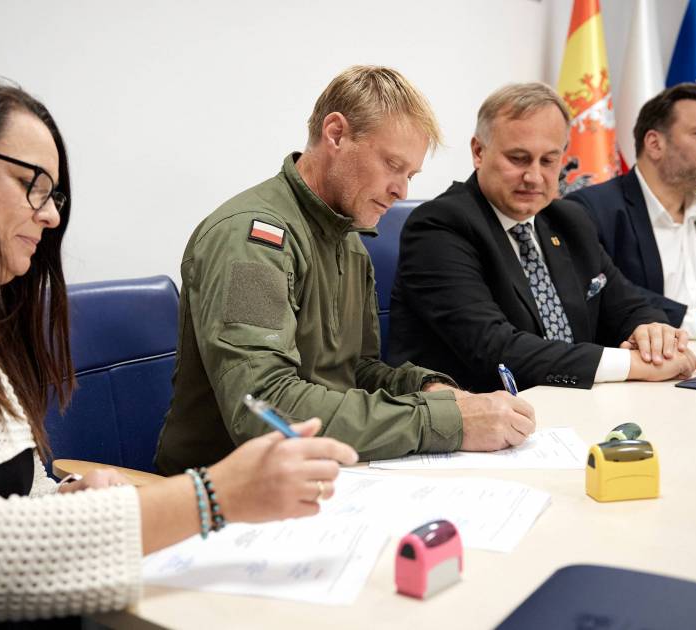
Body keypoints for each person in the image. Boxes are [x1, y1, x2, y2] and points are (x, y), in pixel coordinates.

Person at [0, 74, 357, 626]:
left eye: (54, 194)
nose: (51, 215)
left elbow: (7, 490)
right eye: (31, 184)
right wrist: (214, 495)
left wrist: (67, 496)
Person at [155, 66, 536, 476]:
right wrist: (442, 421)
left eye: (409, 175)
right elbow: (266, 408)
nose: (402, 190)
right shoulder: (250, 240)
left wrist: (428, 388)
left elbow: (354, 371)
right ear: (335, 134)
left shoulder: (349, 241)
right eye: (392, 165)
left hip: (317, 476)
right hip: (221, 489)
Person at [389, 83, 696, 393]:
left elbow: (628, 304)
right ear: (479, 152)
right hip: (482, 412)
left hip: (575, 405)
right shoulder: (440, 225)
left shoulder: (569, 220)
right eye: (518, 158)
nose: (534, 177)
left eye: (549, 161)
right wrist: (631, 365)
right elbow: (496, 349)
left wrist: (653, 334)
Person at [566, 83, 696, 340]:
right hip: (646, 362)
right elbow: (601, 293)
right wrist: (694, 322)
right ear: (655, 144)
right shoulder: (591, 211)